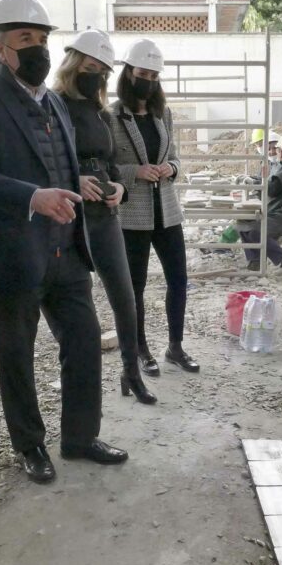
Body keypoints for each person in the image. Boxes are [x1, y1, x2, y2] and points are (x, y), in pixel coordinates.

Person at [0, 0, 128, 485]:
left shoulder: (56, 103)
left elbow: (66, 166)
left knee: (85, 341)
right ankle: (30, 446)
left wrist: (98, 192)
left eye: (44, 38)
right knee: (17, 356)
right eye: (26, 37)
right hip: (11, 253)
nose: (39, 48)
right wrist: (32, 196)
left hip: (66, 249)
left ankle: (79, 438)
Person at [52, 29, 156, 404]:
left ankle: (131, 372)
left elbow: (113, 161)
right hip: (66, 211)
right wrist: (72, 178)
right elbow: (46, 157)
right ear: (73, 63)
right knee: (77, 306)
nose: (95, 74)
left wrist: (121, 189)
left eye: (101, 70)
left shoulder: (99, 111)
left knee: (124, 297)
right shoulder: (53, 104)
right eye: (90, 66)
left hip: (104, 209)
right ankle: (78, 387)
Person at [111, 38, 199, 377]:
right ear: (129, 73)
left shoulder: (163, 113)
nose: (148, 80)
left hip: (167, 210)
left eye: (154, 74)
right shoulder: (113, 116)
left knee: (178, 279)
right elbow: (106, 166)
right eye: (142, 72)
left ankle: (175, 346)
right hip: (132, 214)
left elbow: (174, 156)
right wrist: (136, 172)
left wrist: (170, 169)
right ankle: (140, 350)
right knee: (136, 287)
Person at [237, 132, 282, 272]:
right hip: (280, 212)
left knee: (254, 229)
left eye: (277, 149)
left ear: (281, 150)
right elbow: (271, 182)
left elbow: (272, 188)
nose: (274, 151)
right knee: (242, 223)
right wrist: (254, 180)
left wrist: (254, 184)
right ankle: (255, 260)